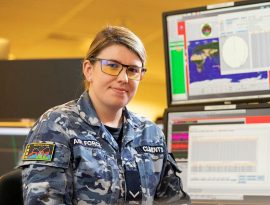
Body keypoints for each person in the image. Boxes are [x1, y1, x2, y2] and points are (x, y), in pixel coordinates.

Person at [17, 25, 190, 205]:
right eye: (112, 66)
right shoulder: (55, 126)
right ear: (88, 70)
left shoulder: (151, 134)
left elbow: (175, 201)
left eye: (133, 70)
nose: (124, 78)